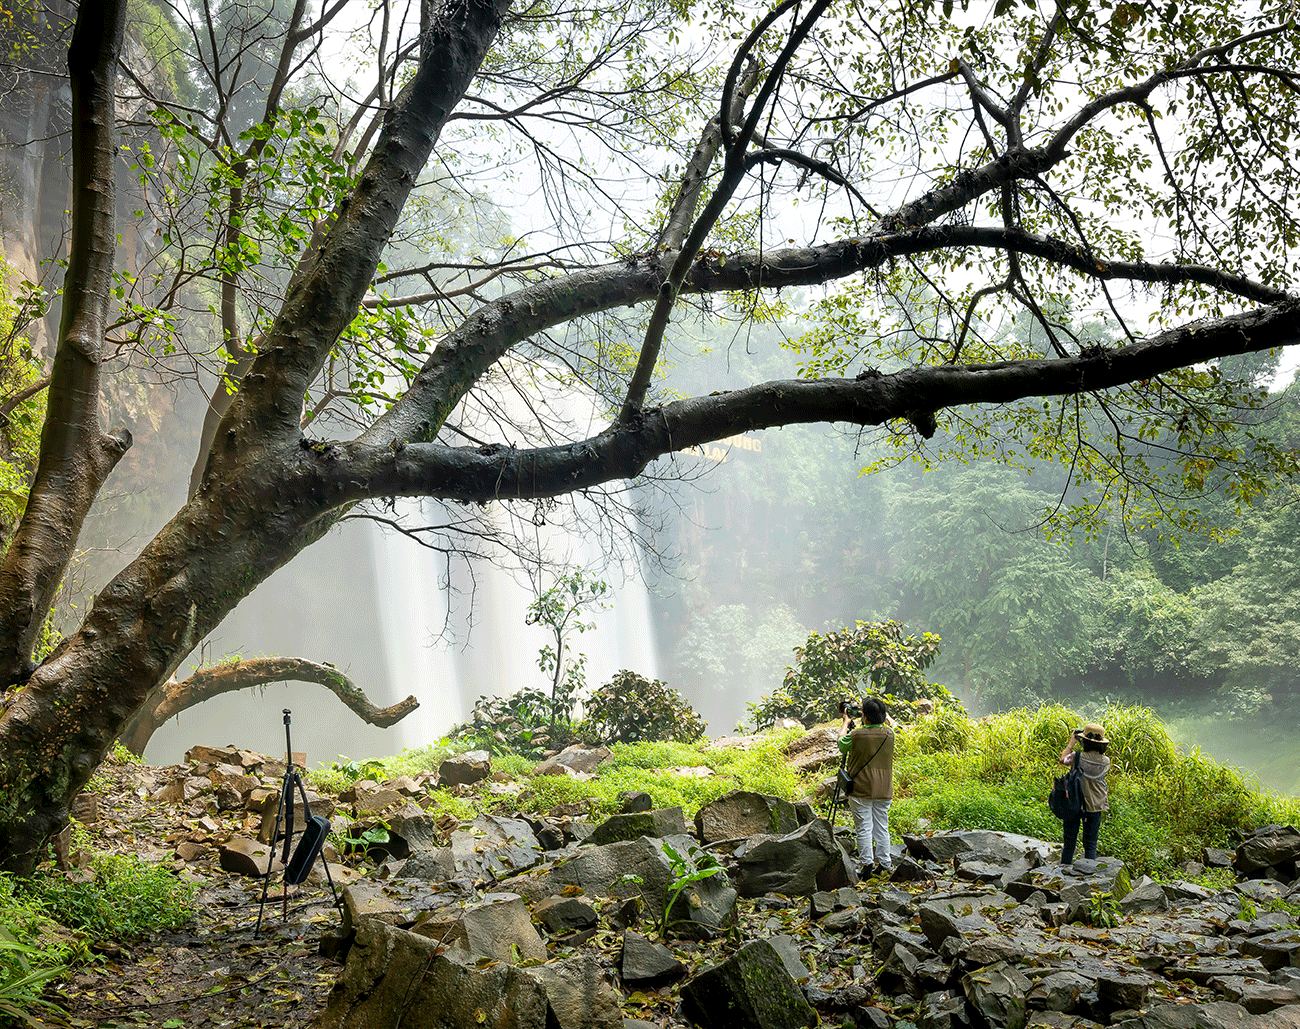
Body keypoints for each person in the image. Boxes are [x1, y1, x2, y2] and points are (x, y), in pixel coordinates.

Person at [838, 696, 895, 876]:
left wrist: (846, 723)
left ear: (865, 717)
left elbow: (841, 744)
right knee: (881, 826)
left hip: (861, 787)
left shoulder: (857, 735)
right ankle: (885, 863)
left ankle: (867, 864)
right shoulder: (890, 734)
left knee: (863, 827)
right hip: (884, 788)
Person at [1059, 722, 1110, 863]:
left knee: (1069, 841)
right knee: (1091, 843)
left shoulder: (1077, 756)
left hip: (1075, 803)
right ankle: (1089, 870)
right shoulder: (1106, 761)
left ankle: (1064, 869)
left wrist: (1071, 743)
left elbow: (1063, 760)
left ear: (1084, 741)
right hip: (1096, 804)